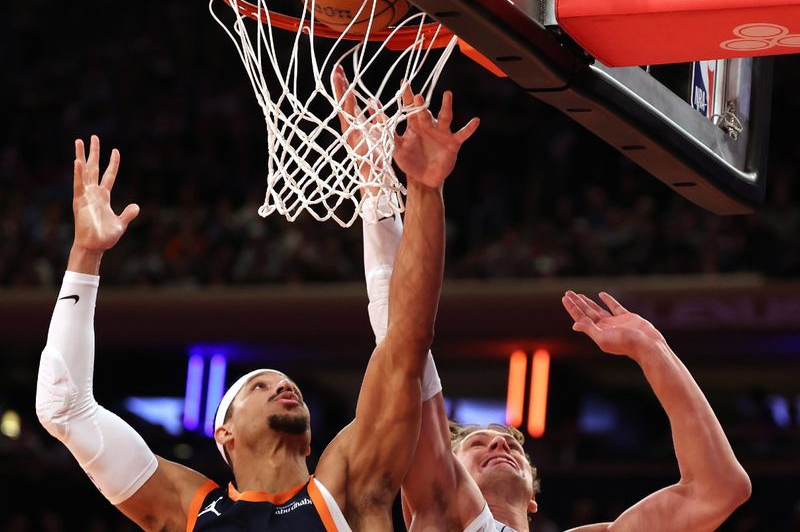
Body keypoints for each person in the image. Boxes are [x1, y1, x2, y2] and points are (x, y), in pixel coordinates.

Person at [34, 79, 479, 532]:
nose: (283, 387)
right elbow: (62, 405)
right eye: (257, 387)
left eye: (283, 383)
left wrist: (421, 191)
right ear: (223, 434)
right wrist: (85, 255)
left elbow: (407, 339)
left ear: (309, 445)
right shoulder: (186, 509)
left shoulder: (347, 484)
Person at [340, 76, 752, 530]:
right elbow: (404, 345)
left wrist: (653, 349)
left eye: (509, 446)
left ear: (534, 500)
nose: (499, 446)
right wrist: (392, 190)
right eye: (478, 446)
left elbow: (719, 491)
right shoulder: (441, 505)